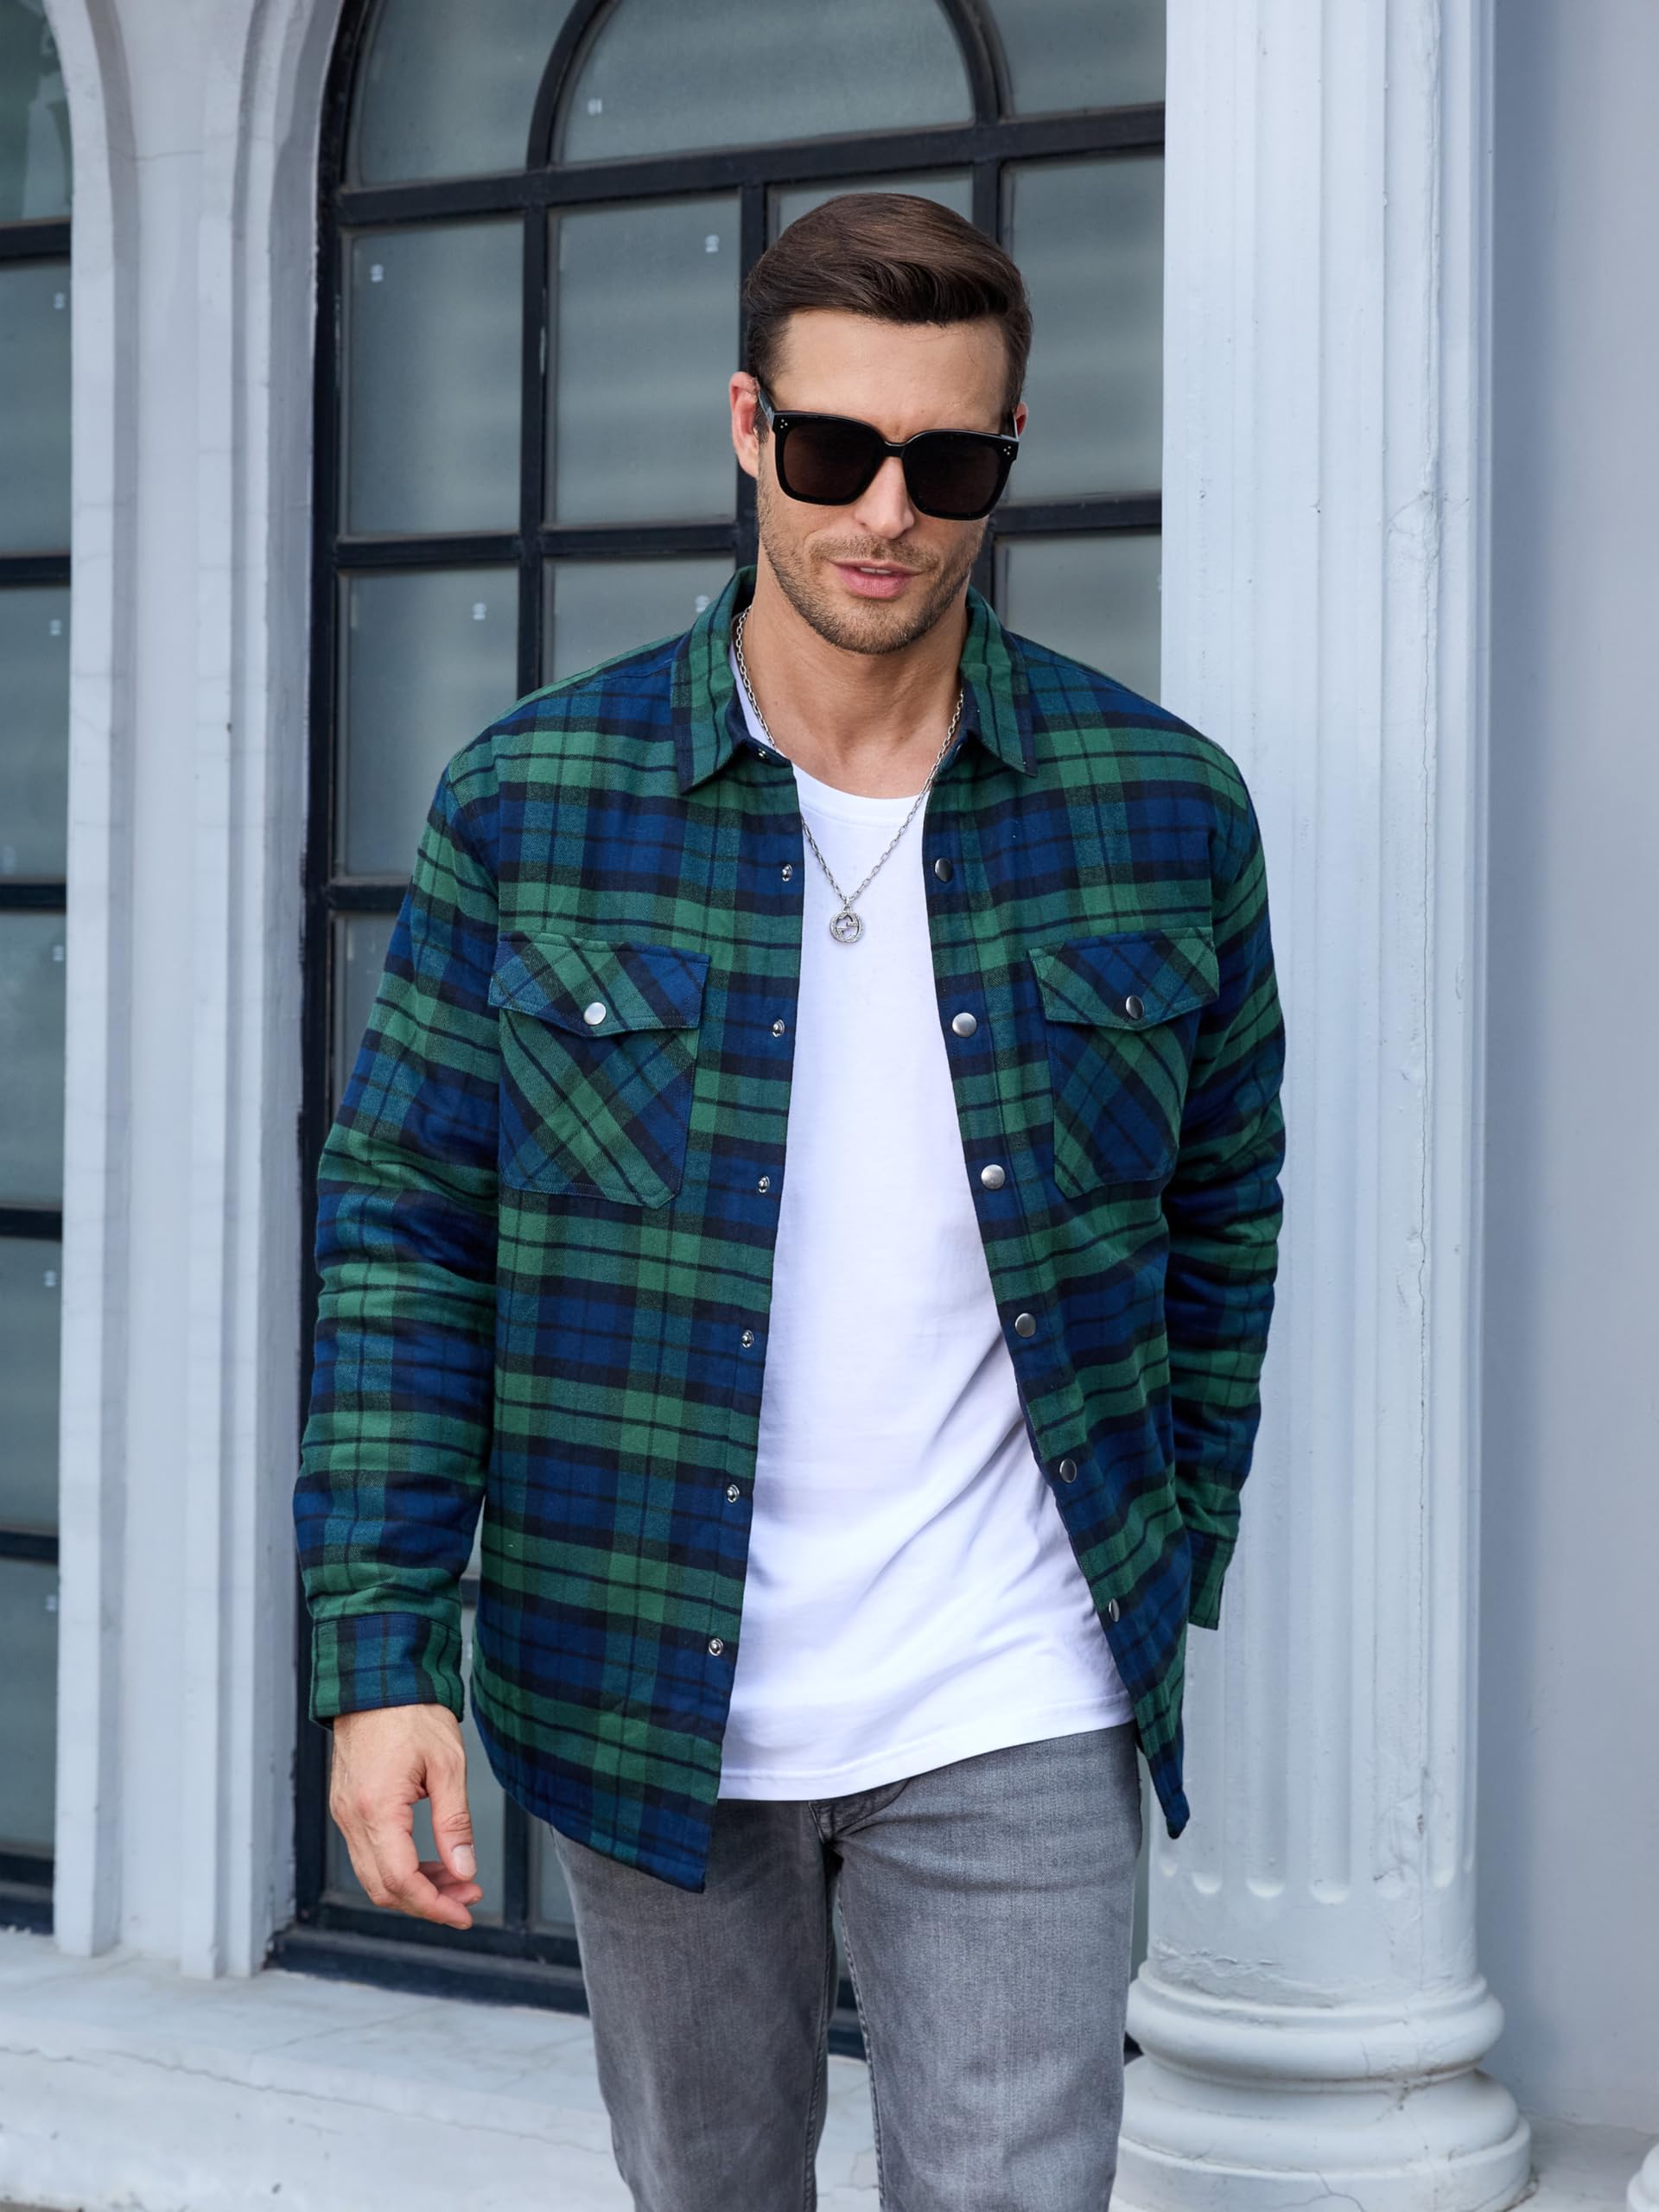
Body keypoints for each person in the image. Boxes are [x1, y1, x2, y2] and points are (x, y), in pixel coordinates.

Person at [295, 192, 1286, 2212]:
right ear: (749, 427)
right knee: (712, 2187)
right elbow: (409, 1234)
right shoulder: (532, 805)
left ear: (1012, 455)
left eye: (951, 463)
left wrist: (1168, 1536)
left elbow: (1224, 1202)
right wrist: (381, 1651)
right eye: (836, 449)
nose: (888, 513)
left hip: (1014, 1672)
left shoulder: (1162, 809)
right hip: (643, 1661)